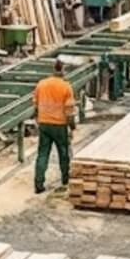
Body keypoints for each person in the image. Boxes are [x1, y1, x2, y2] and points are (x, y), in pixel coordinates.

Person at [34, 59, 76, 194]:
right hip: (59, 125)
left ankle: (38, 184)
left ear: (53, 69)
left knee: (42, 154)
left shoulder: (41, 84)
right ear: (63, 70)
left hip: (44, 123)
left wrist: (38, 120)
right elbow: (69, 111)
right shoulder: (66, 87)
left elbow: (35, 105)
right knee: (63, 154)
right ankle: (65, 180)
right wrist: (72, 127)